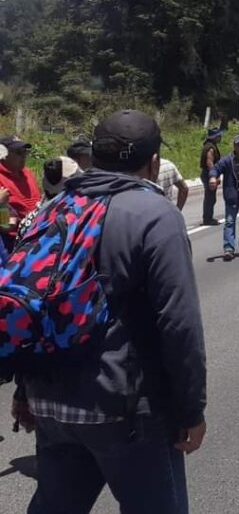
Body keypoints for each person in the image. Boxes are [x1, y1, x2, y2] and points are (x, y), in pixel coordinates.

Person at [11, 109, 207, 513]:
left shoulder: (53, 209)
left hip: (50, 402)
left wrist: (23, 391)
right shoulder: (155, 215)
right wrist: (191, 409)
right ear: (154, 163)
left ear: (94, 156)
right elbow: (178, 323)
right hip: (124, 409)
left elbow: (35, 300)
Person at [0, 135, 41, 253]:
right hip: (11, 239)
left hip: (35, 232)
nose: (23, 156)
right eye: (18, 152)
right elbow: (4, 225)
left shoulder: (27, 174)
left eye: (25, 152)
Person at [199, 128, 223, 225]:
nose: (220, 137)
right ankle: (207, 219)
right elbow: (209, 162)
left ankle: (208, 217)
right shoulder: (210, 148)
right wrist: (215, 175)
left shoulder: (209, 146)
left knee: (210, 197)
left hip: (208, 174)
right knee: (210, 198)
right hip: (208, 175)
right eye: (219, 136)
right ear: (215, 137)